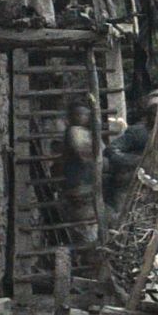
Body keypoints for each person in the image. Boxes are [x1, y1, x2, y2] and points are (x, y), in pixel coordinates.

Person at [54, 98, 102, 248]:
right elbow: (85, 154)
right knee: (85, 225)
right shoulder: (75, 132)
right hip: (79, 183)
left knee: (87, 224)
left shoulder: (85, 133)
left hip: (84, 183)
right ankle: (88, 251)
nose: (83, 117)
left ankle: (87, 251)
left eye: (85, 114)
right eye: (79, 114)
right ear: (72, 116)